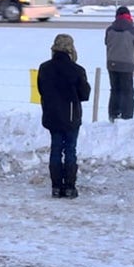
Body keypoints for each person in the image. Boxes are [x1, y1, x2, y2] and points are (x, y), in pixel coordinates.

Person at [37, 34, 91, 198]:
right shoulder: (77, 70)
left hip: (52, 115)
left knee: (55, 149)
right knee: (70, 150)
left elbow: (41, 90)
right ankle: (69, 187)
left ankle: (55, 187)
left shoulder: (44, 68)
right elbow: (85, 94)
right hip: (70, 116)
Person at [104, 6, 134, 121]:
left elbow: (106, 42)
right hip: (126, 65)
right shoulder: (132, 29)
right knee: (127, 92)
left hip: (111, 64)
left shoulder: (109, 29)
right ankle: (127, 117)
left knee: (114, 90)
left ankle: (113, 114)